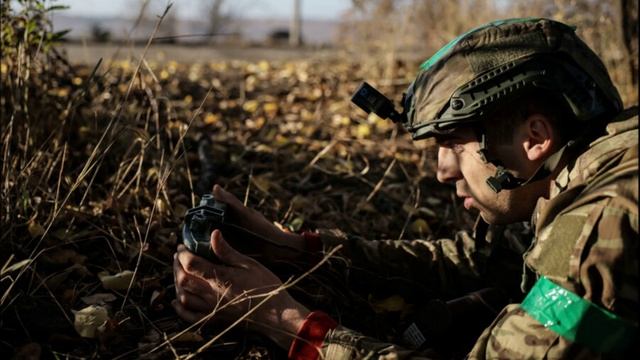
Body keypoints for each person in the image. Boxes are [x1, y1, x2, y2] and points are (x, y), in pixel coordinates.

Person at [172, 18, 638, 358]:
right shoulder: (589, 167)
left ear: (535, 138)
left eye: (453, 145)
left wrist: (284, 323)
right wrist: (297, 249)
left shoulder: (597, 230)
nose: (442, 171)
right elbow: (475, 261)